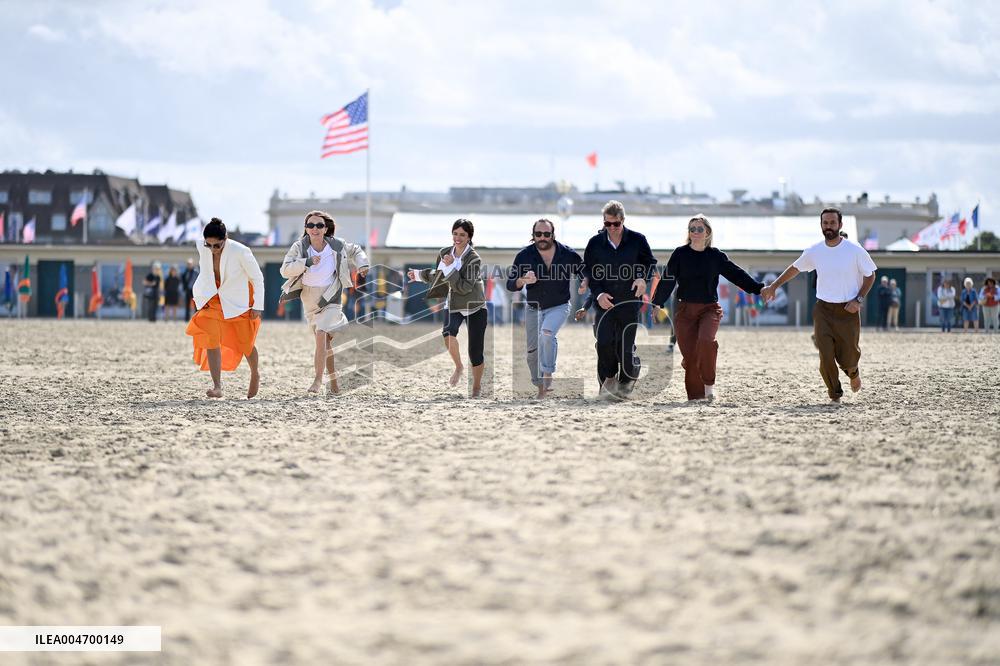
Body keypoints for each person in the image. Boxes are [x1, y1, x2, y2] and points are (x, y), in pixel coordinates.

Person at [762, 207, 877, 403]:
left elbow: (870, 275)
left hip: (848, 311)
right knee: (825, 356)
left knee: (848, 356)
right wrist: (774, 286)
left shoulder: (855, 251)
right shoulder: (815, 251)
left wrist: (858, 299)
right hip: (823, 310)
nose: (829, 226)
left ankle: (853, 372)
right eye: (825, 223)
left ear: (840, 225)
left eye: (832, 223)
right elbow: (795, 268)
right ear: (821, 225)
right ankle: (835, 394)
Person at [652, 214, 764, 401]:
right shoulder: (680, 254)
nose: (695, 232)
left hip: (709, 309)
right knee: (691, 356)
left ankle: (709, 386)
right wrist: (657, 302)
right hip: (685, 311)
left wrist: (759, 288)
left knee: (706, 341)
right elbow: (667, 280)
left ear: (708, 232)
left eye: (699, 229)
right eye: (692, 229)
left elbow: (737, 275)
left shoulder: (715, 256)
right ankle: (696, 394)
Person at [279, 210, 369, 394]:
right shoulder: (299, 247)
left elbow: (356, 250)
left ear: (325, 228)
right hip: (309, 298)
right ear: (306, 228)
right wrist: (307, 262)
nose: (315, 228)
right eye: (311, 225)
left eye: (319, 225)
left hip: (332, 296)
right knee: (325, 345)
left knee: (321, 334)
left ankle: (317, 381)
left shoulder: (337, 245)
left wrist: (362, 264)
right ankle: (334, 383)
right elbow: (285, 270)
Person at [582, 200, 657, 399]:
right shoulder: (595, 243)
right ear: (603, 222)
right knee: (604, 342)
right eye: (608, 224)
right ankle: (608, 379)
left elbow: (650, 263)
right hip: (604, 302)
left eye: (616, 224)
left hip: (629, 302)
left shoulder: (638, 240)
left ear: (623, 220)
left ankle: (629, 376)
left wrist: (643, 279)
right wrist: (598, 294)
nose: (612, 228)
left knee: (625, 349)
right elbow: (587, 270)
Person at [407, 219, 488, 397]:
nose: (457, 238)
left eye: (462, 235)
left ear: (469, 237)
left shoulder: (474, 258)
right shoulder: (444, 252)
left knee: (475, 351)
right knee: (448, 333)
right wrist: (419, 275)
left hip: (475, 305)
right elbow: (439, 276)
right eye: (455, 233)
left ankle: (476, 386)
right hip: (453, 304)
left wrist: (451, 266)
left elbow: (465, 287)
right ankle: (458, 366)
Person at [505, 218, 584, 398]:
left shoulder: (567, 254)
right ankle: (541, 389)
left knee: (547, 334)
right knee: (532, 353)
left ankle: (548, 372)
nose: (542, 237)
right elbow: (511, 284)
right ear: (533, 236)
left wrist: (584, 282)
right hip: (533, 308)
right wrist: (523, 280)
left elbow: (583, 270)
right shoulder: (524, 256)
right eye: (538, 234)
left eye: (546, 234)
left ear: (553, 235)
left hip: (559, 305)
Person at [185, 218, 263, 399]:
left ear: (225, 238)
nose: (212, 249)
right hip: (213, 299)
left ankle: (255, 373)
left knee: (245, 342)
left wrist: (258, 305)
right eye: (209, 245)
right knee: (210, 337)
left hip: (238, 300)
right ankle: (217, 386)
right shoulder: (201, 247)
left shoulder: (241, 251)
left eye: (217, 245)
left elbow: (258, 278)